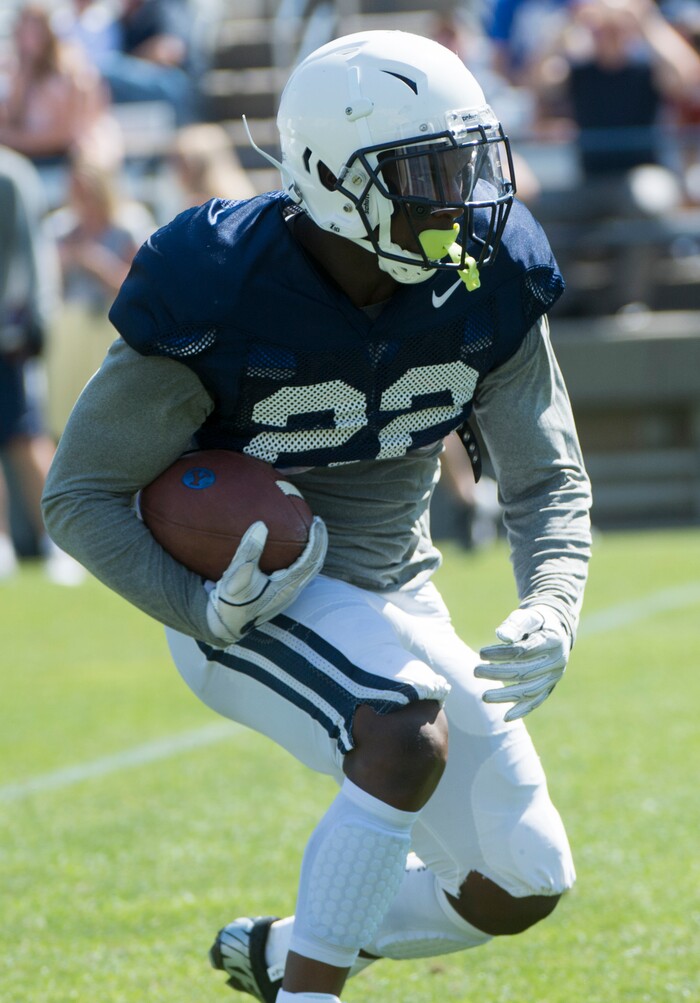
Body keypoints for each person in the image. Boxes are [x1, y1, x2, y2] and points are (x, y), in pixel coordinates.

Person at [42, 30, 592, 1003]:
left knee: (521, 876)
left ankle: (282, 949)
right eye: (426, 170)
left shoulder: (488, 272)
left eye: (466, 161)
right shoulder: (220, 284)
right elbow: (79, 493)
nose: (458, 196)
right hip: (250, 594)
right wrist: (195, 603)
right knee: (400, 733)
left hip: (396, 586)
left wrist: (552, 599)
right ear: (334, 178)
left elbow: (545, 476)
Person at [0, 145, 84, 585]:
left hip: (8, 332)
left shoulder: (10, 174)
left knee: (25, 437)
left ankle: (62, 541)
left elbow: (31, 254)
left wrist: (33, 318)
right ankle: (3, 544)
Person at [44, 155, 155, 438]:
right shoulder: (60, 228)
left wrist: (97, 264)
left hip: (113, 324)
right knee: (66, 408)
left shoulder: (128, 224)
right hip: (72, 328)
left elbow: (141, 286)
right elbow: (49, 284)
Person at [0, 4, 122, 173]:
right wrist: (24, 76)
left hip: (73, 161)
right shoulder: (14, 71)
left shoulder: (72, 71)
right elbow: (10, 119)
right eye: (24, 30)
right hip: (32, 161)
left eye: (36, 30)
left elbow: (65, 135)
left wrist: (14, 140)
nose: (29, 38)